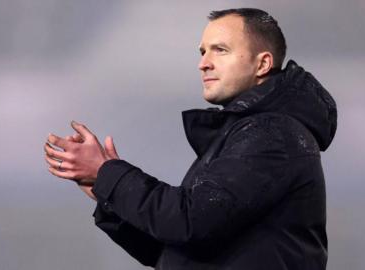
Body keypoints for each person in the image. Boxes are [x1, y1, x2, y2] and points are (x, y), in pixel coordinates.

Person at [44, 8, 337, 270]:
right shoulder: (249, 132)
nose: (204, 64)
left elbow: (190, 221)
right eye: (202, 52)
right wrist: (107, 193)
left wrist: (109, 174)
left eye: (220, 50)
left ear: (262, 64)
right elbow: (175, 248)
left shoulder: (273, 134)